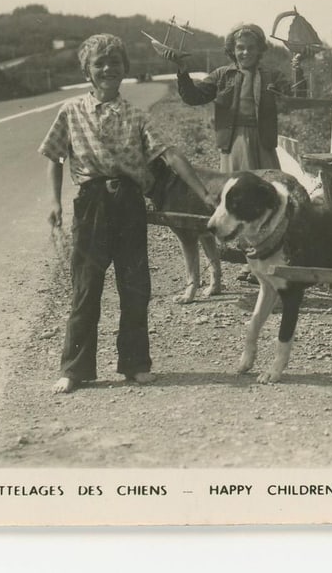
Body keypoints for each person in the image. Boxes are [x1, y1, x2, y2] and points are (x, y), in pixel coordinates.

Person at [40, 33, 215, 395]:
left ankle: (135, 363)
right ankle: (74, 368)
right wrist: (55, 202)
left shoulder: (136, 115)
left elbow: (169, 154)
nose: (108, 69)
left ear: (125, 71)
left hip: (130, 204)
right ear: (87, 71)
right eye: (99, 64)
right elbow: (55, 157)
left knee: (135, 288)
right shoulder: (71, 112)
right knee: (86, 288)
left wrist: (204, 193)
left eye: (115, 63)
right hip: (91, 205)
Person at [175, 22, 292, 280]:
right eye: (240, 48)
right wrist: (182, 72)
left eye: (251, 48)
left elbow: (296, 97)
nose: (245, 53)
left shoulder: (272, 76)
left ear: (261, 50)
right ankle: (248, 261)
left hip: (262, 143)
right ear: (232, 49)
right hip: (233, 144)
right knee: (237, 201)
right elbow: (194, 97)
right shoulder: (221, 76)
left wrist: (299, 67)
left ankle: (268, 258)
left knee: (267, 199)